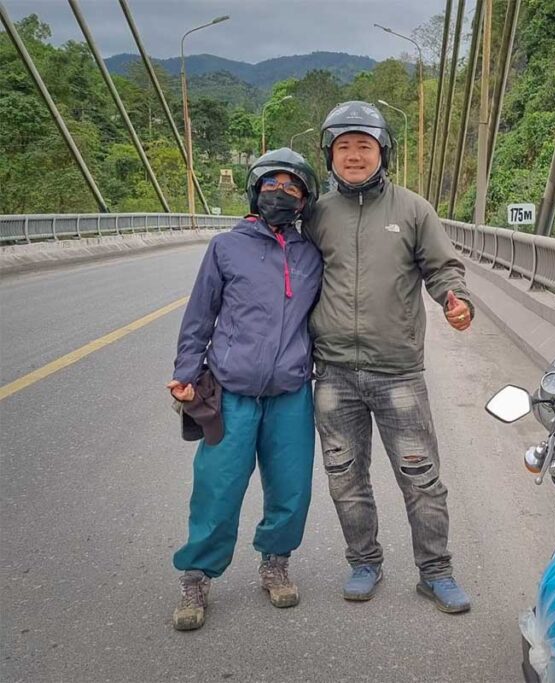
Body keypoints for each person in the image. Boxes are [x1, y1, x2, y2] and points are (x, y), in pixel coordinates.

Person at [304, 101, 474, 614]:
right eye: (344, 148)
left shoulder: (413, 209)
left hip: (396, 370)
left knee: (421, 476)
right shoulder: (316, 214)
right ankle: (364, 562)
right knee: (344, 476)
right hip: (333, 372)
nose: (354, 157)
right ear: (329, 156)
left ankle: (435, 571)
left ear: (384, 152)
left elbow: (442, 268)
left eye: (364, 146)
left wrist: (454, 299)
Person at [167, 148, 323, 631]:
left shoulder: (312, 254)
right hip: (231, 392)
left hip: (290, 394)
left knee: (292, 488)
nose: (282, 193)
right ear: (256, 191)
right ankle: (197, 574)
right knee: (217, 487)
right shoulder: (225, 247)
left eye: (292, 187)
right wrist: (186, 375)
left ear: (304, 201)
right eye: (272, 184)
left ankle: (275, 562)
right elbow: (200, 317)